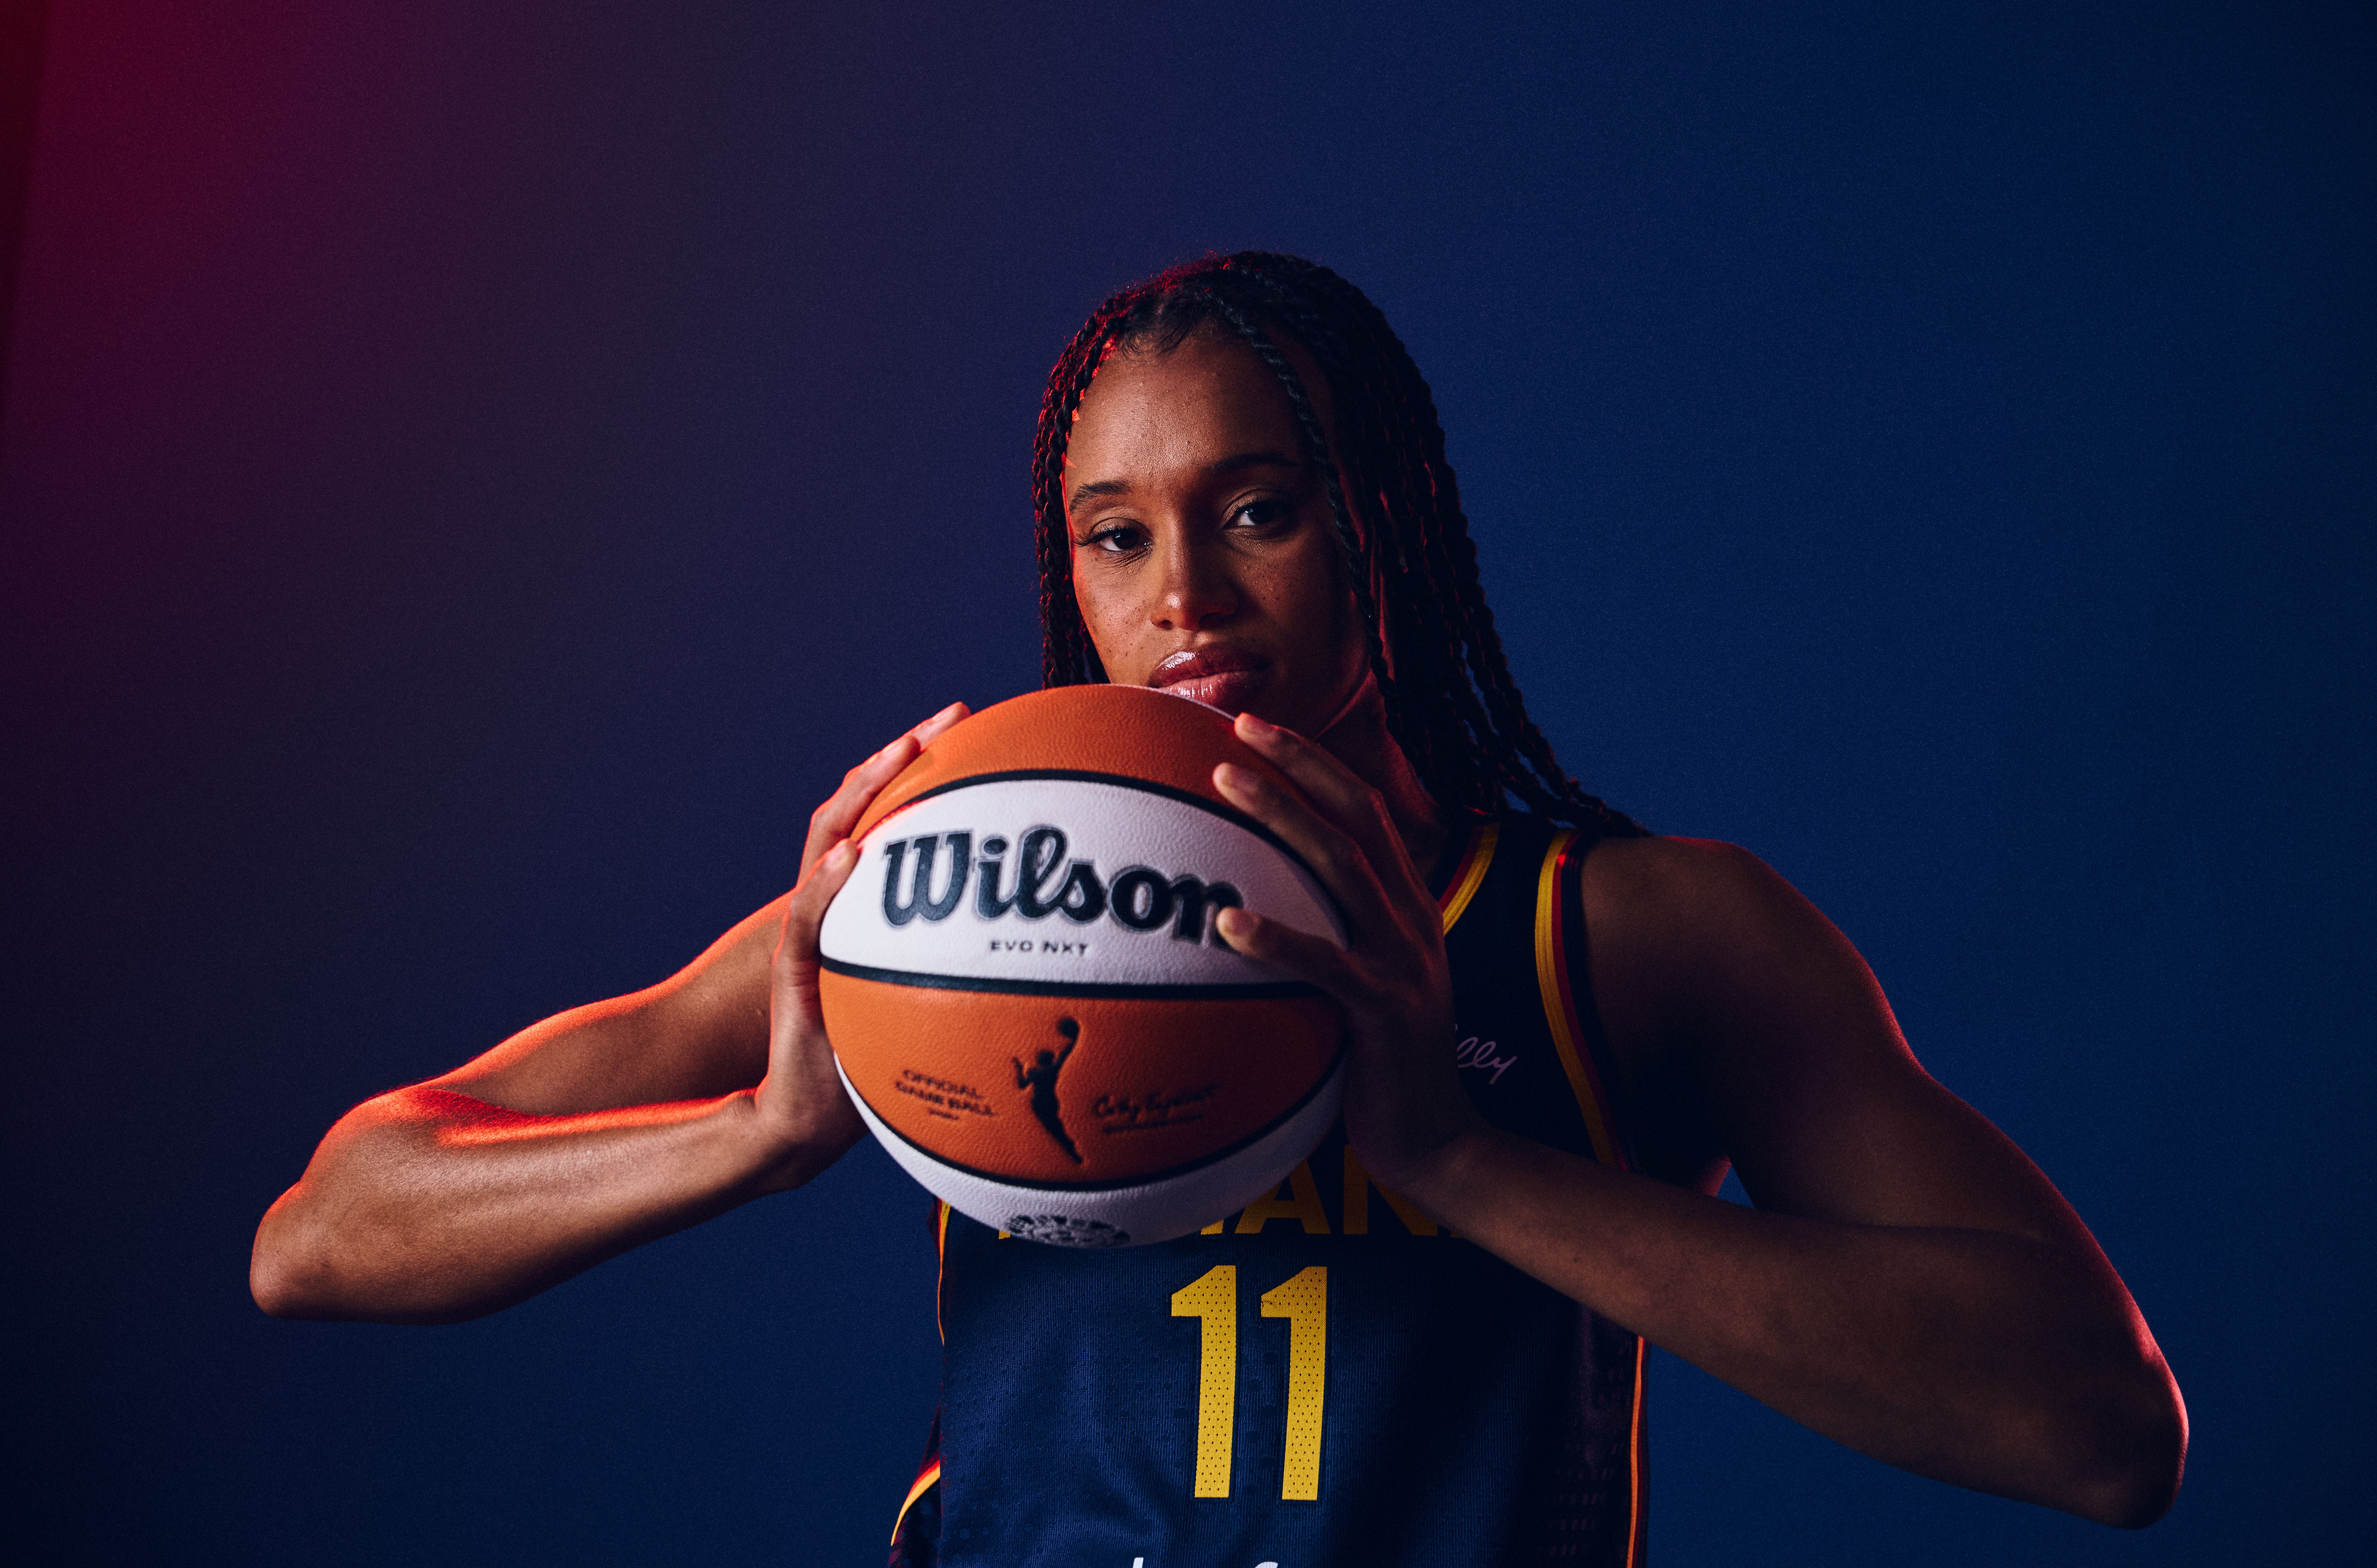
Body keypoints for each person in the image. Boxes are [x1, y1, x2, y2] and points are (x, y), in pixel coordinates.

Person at [251, 252, 2186, 1564]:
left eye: (1256, 508)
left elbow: (2099, 1431)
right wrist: (752, 1141)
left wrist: (1462, 1160)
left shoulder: (1635, 934)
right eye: (1116, 533)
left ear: (1384, 528)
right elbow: (327, 1229)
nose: (1185, 593)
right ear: (1074, 571)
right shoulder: (942, 905)